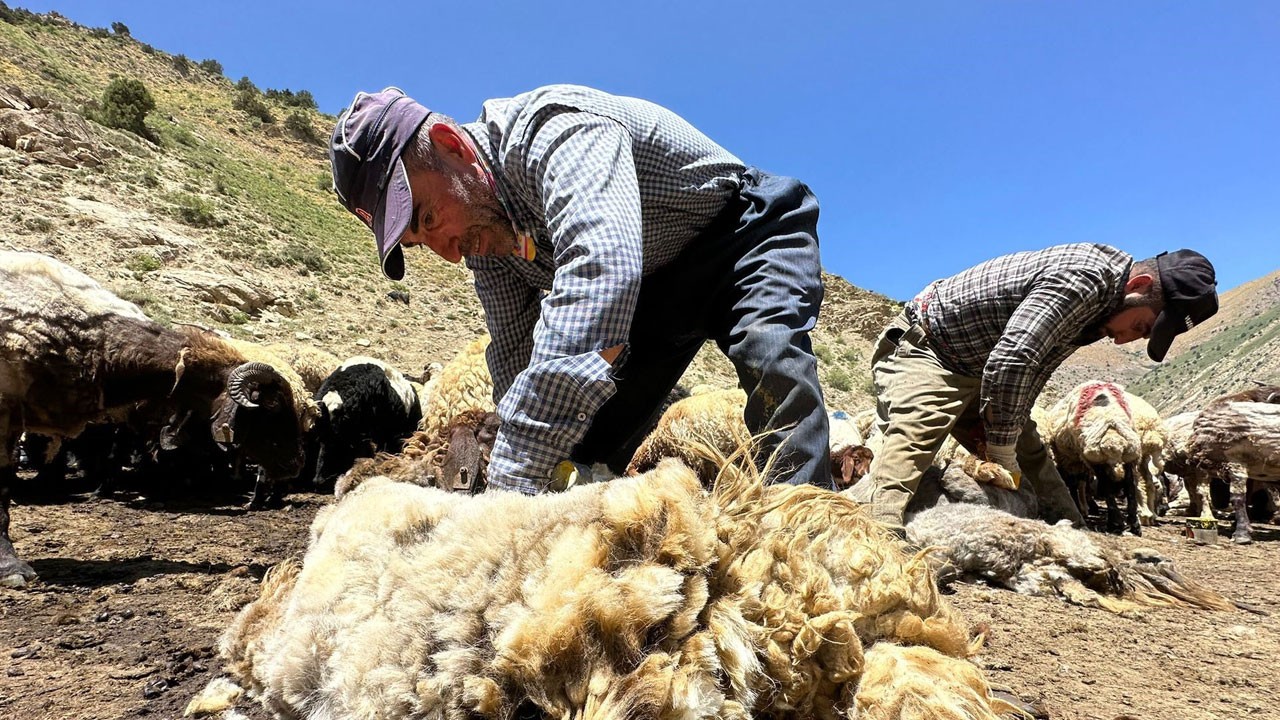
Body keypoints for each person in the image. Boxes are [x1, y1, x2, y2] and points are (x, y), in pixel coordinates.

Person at [328, 85, 830, 493]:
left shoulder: (556, 130)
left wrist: (513, 479)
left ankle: (810, 536)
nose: (449, 253)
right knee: (581, 442)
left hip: (743, 235)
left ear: (450, 145)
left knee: (772, 360)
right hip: (654, 292)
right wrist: (516, 449)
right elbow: (514, 352)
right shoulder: (486, 241)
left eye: (429, 218)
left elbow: (600, 273)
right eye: (421, 242)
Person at [850, 243, 1218, 534]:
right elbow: (1014, 358)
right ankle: (878, 533)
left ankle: (1073, 529)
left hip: (981, 369)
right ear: (1138, 286)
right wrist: (1000, 450)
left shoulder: (1100, 310)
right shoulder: (1085, 279)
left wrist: (1009, 440)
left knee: (1031, 448)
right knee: (919, 431)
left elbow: (1035, 368)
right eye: (1140, 326)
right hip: (929, 351)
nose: (1126, 342)